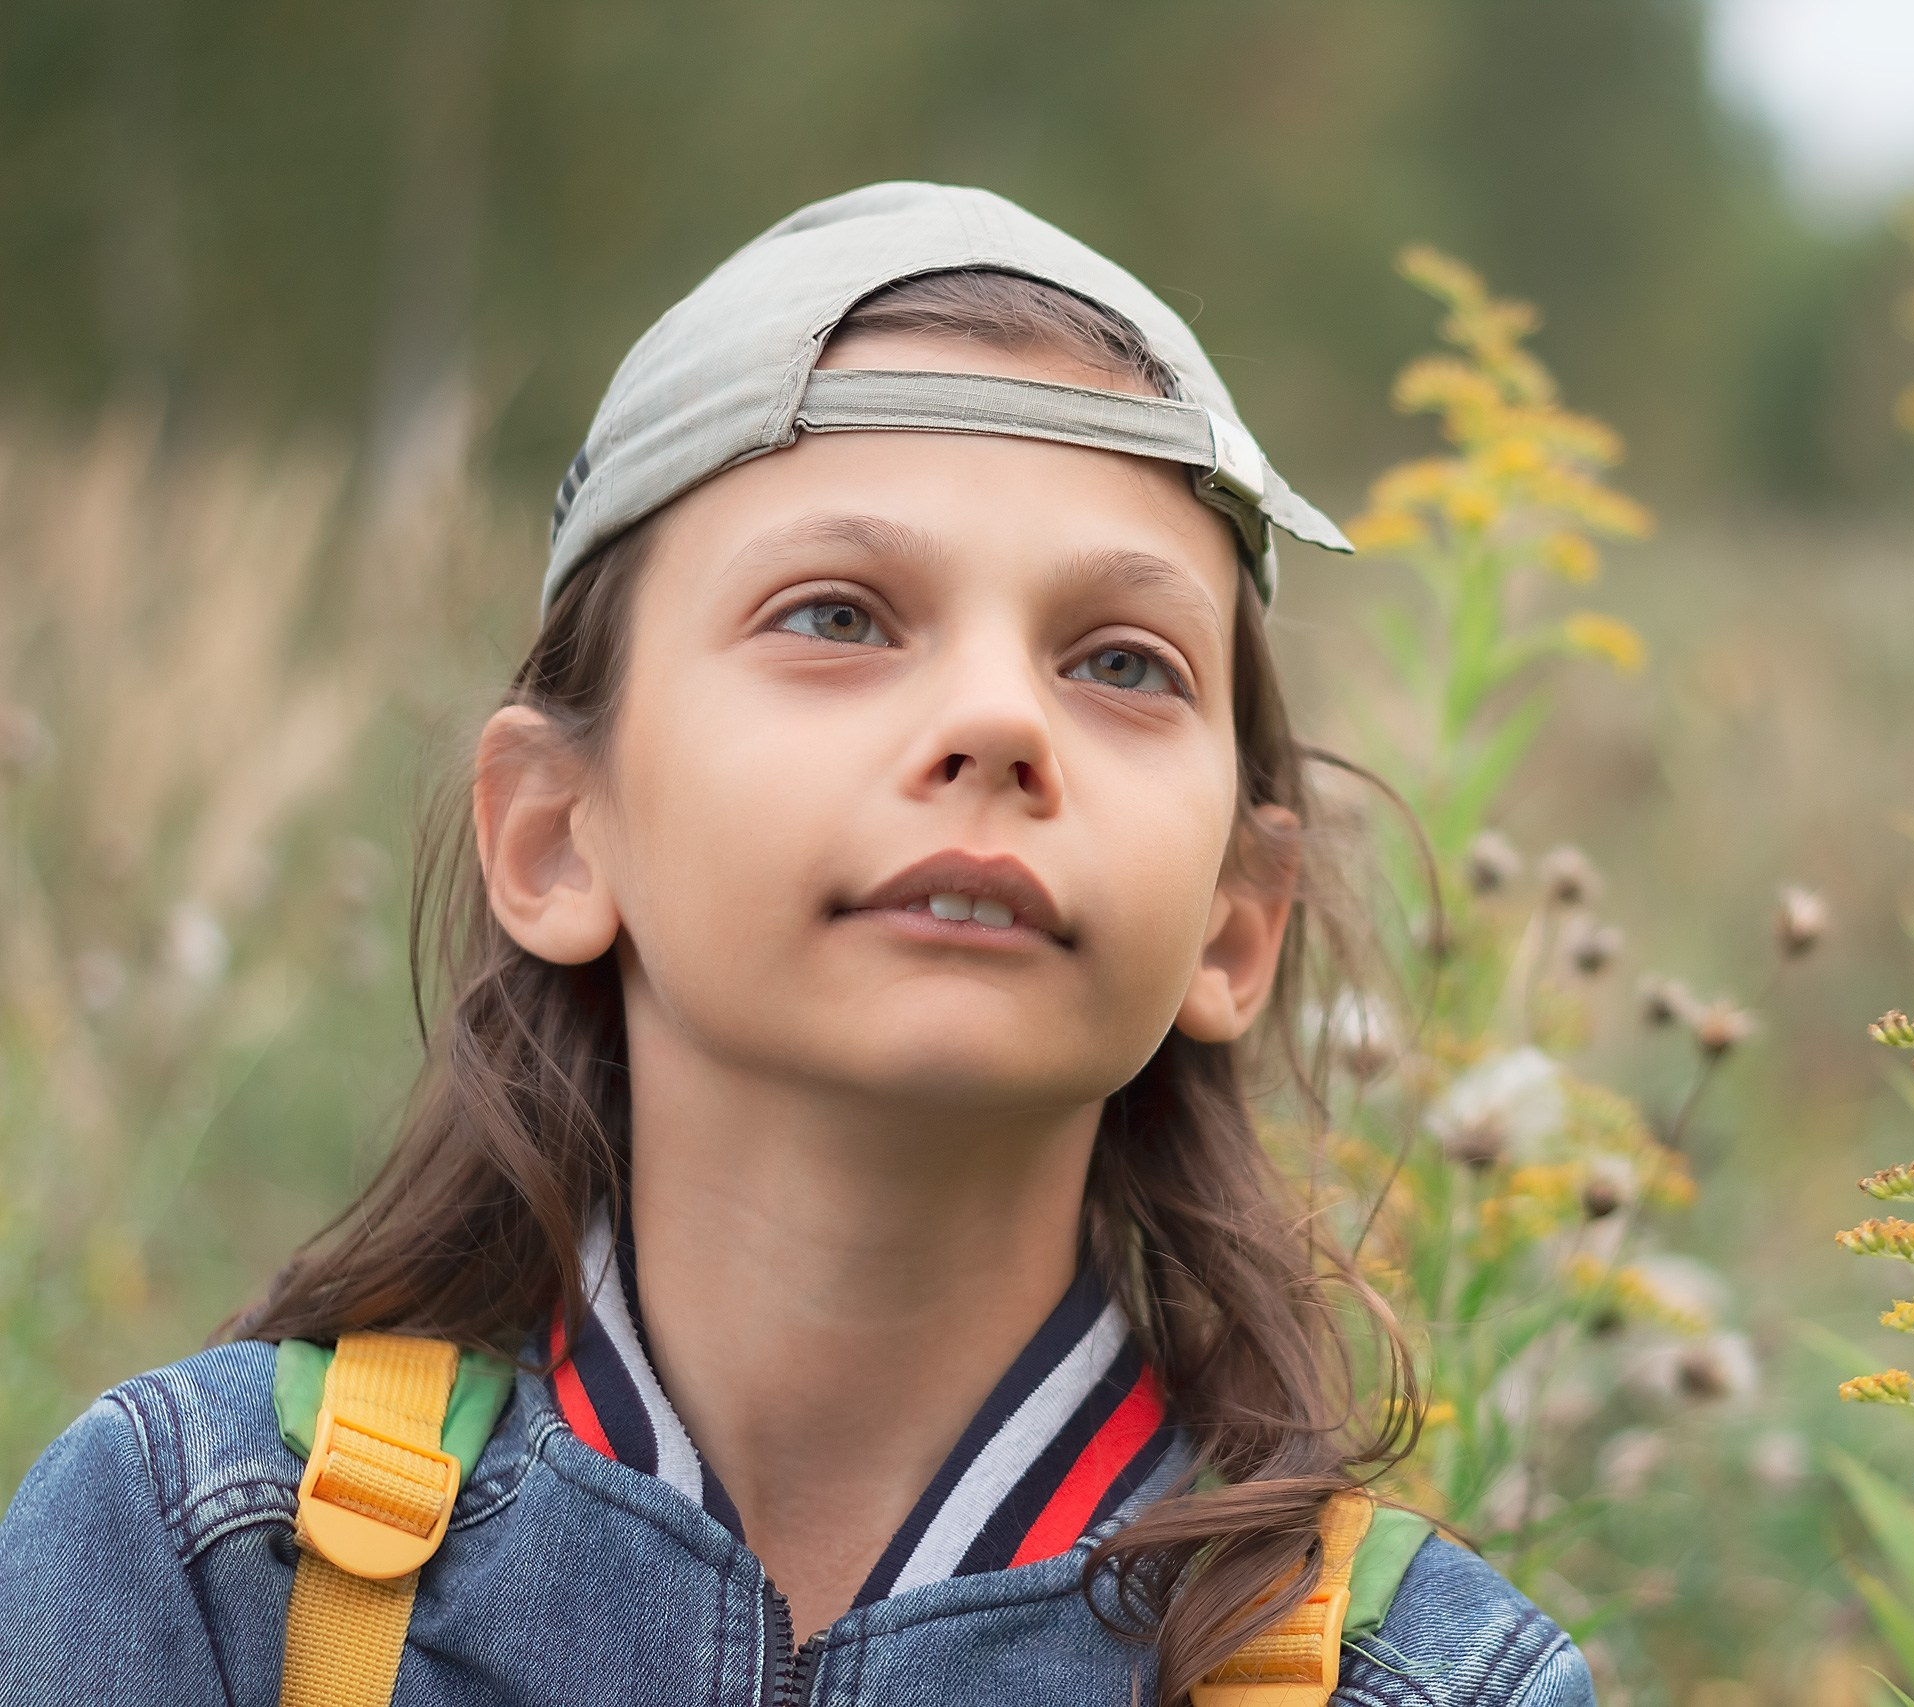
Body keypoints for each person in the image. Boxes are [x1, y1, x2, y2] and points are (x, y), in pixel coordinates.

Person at [0, 182, 1595, 1706]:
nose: (997, 719)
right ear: (557, 834)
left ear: (1238, 926)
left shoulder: (1423, 1685)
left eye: (1121, 661)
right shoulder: (206, 1562)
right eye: (838, 616)